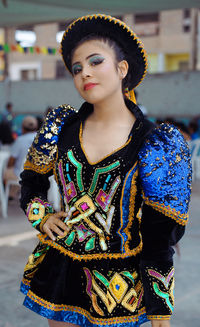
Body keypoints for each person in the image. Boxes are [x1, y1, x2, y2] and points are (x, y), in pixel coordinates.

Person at [19, 14, 192, 327]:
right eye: (76, 68)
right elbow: (30, 183)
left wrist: (160, 314)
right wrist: (42, 217)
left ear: (122, 68)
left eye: (95, 61)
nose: (85, 72)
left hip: (121, 289)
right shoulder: (60, 127)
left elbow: (159, 236)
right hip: (60, 276)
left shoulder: (158, 143)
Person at [3, 115, 38, 197]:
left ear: (23, 128)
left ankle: (7, 196)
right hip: (40, 176)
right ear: (36, 127)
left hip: (22, 176)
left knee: (6, 172)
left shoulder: (20, 140)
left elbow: (11, 161)